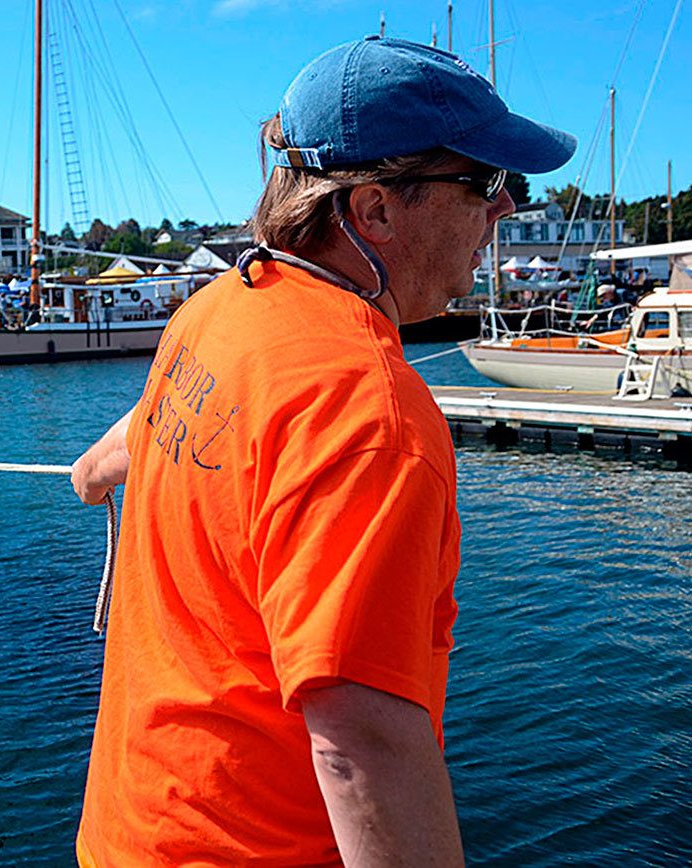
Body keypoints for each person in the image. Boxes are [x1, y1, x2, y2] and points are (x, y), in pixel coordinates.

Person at [69, 36, 575, 866]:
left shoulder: (217, 312)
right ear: (374, 209)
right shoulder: (372, 417)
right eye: (485, 182)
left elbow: (148, 424)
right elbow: (362, 747)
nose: (506, 209)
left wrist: (90, 477)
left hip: (125, 835)